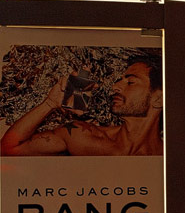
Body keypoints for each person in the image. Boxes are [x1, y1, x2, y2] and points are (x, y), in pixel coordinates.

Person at [0, 55, 163, 156]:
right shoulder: (83, 137)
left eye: (131, 82)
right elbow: (8, 149)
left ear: (159, 99)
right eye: (119, 80)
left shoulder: (168, 157)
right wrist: (49, 103)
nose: (115, 87)